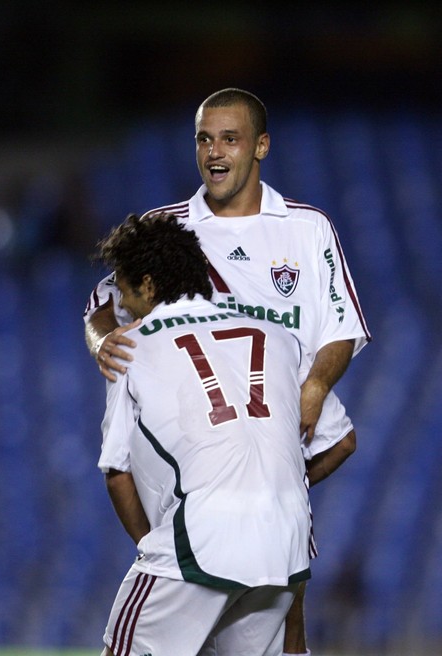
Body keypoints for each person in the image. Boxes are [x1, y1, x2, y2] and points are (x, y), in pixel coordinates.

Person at [84, 87, 371, 655]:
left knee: (288, 628)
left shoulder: (306, 228)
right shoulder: (164, 230)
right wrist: (98, 343)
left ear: (261, 146)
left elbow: (342, 327)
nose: (214, 151)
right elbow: (99, 306)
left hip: (239, 491)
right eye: (204, 138)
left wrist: (315, 387)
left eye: (230, 138)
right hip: (253, 504)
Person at [96, 212, 314, 655]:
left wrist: (154, 549)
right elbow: (341, 439)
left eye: (122, 287)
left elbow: (117, 471)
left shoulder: (129, 345)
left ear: (150, 286)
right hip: (287, 544)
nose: (120, 302)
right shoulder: (278, 335)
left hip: (201, 538)